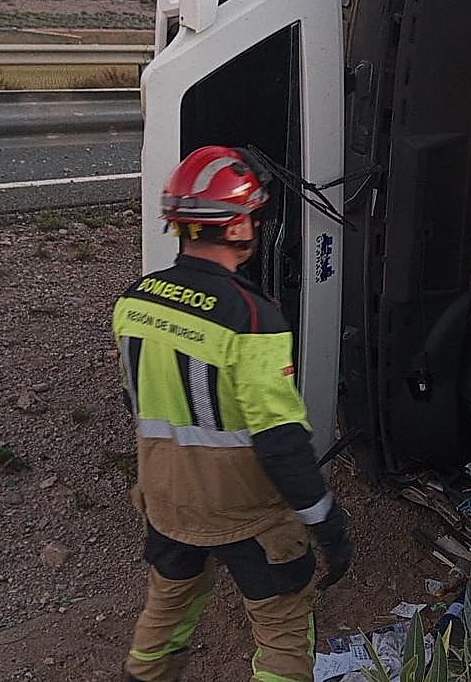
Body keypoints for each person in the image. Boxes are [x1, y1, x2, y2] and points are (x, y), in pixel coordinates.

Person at [113, 145, 352, 682]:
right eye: (253, 216)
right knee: (282, 632)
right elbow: (280, 440)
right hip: (247, 513)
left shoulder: (135, 301)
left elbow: (138, 401)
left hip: (167, 500)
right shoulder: (253, 318)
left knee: (166, 612)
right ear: (238, 225)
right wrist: (325, 520)